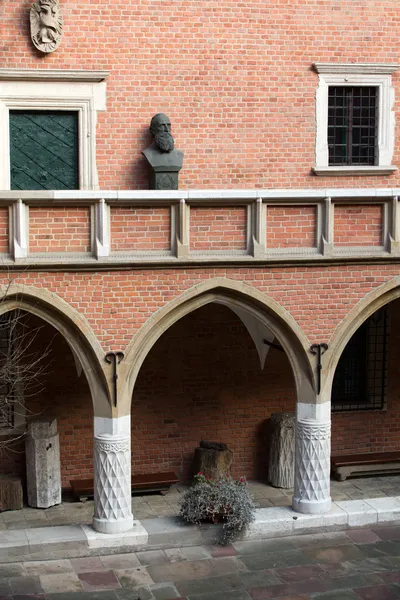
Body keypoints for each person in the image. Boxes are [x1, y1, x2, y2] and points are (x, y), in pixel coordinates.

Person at [142, 114, 184, 189]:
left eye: (168, 125)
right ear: (152, 130)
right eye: (162, 125)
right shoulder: (148, 154)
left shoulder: (179, 155)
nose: (167, 130)